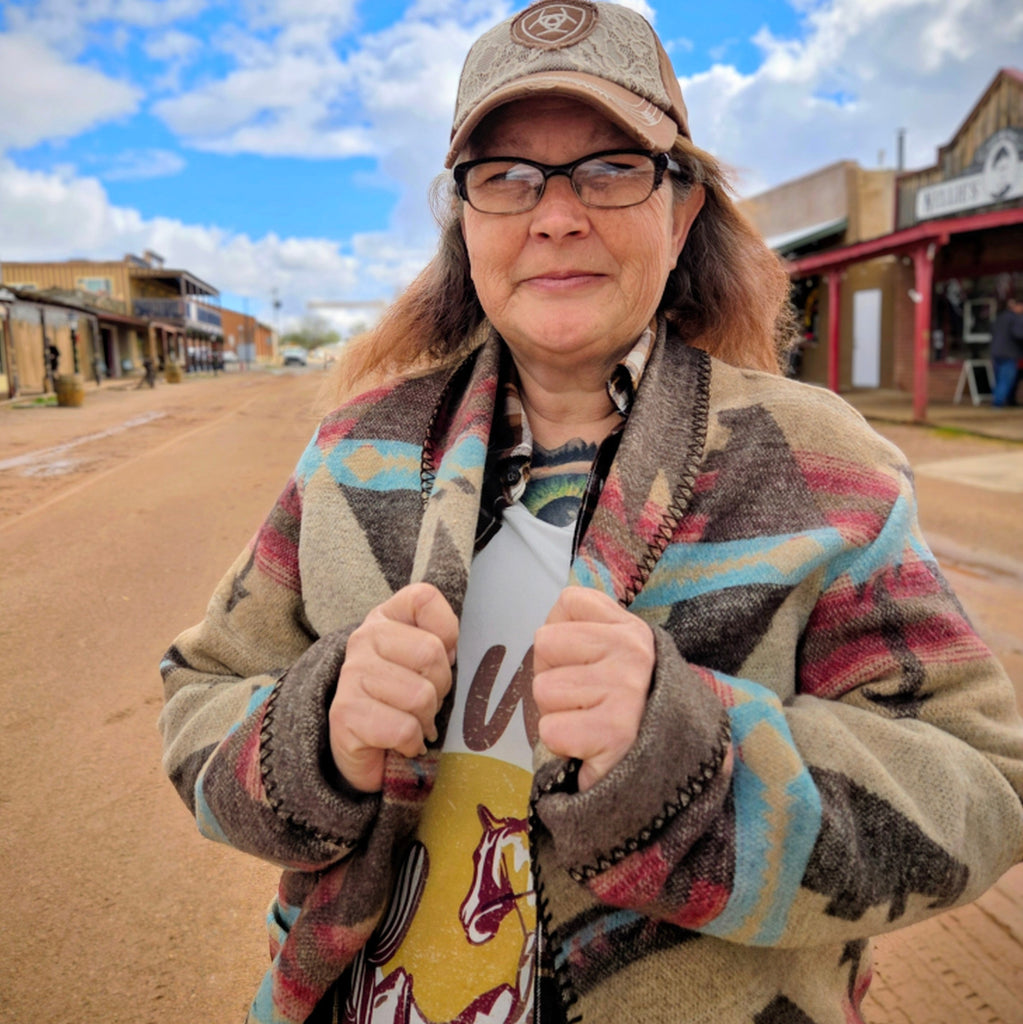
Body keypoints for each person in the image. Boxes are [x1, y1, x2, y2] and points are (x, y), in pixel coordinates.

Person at [158, 4, 1023, 1024]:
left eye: (611, 168)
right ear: (465, 218)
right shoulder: (353, 454)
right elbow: (199, 697)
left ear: (682, 209)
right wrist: (319, 730)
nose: (556, 215)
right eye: (507, 176)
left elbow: (982, 785)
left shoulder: (817, 464)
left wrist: (688, 754)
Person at [990, 296, 1023, 407]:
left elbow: (992, 330)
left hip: (996, 352)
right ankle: (998, 403)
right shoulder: (1016, 318)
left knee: (999, 379)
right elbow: (1019, 334)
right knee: (1005, 379)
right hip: (1009, 353)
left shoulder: (1000, 317)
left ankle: (999, 400)